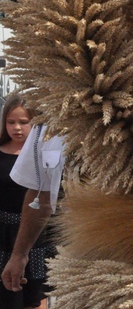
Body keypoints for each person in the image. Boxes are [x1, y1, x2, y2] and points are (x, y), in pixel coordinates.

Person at [1, 99, 65, 307]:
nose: (16, 128)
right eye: (11, 122)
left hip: (38, 233)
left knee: (36, 291)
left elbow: (48, 197)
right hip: (5, 233)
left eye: (23, 122)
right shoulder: (4, 151)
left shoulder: (48, 144)